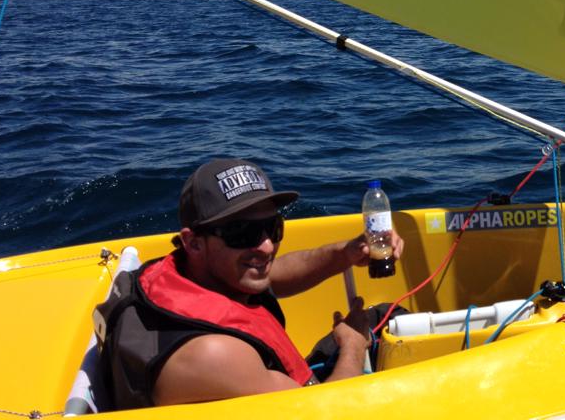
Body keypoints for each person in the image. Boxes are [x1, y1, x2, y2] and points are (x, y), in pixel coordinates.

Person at [93, 158, 404, 408]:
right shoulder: (212, 355)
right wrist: (353, 346)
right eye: (243, 234)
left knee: (387, 315)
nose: (266, 246)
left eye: (273, 228)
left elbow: (276, 274)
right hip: (316, 404)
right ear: (193, 242)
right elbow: (330, 410)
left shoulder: (194, 273)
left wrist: (345, 253)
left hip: (282, 394)